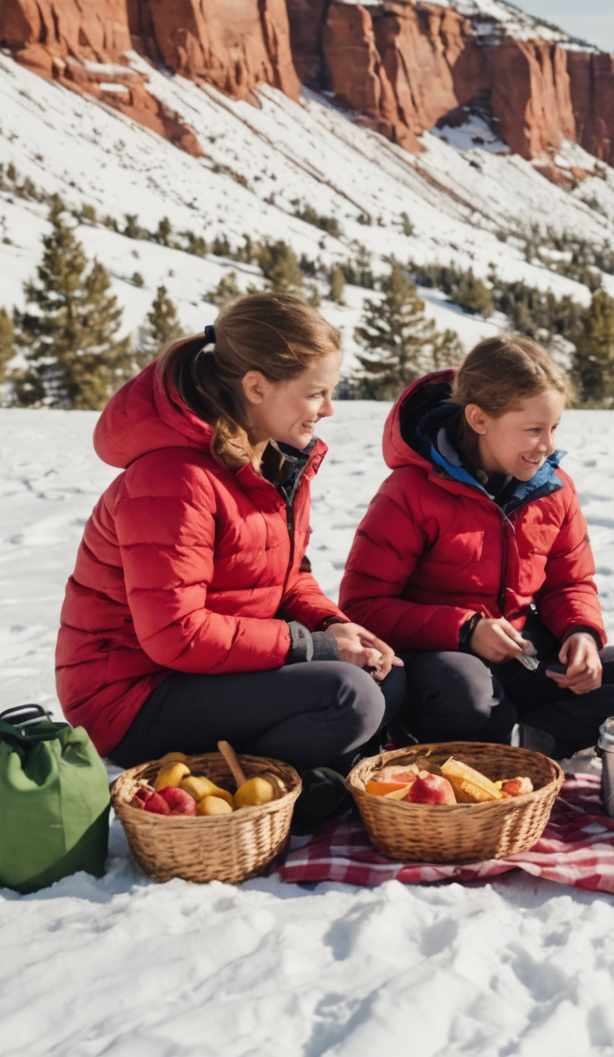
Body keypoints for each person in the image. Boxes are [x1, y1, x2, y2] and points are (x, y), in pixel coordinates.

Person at [56, 294, 401, 826]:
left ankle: (285, 779)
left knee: (384, 674)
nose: (328, 409)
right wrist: (314, 648)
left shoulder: (271, 458)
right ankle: (252, 787)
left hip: (207, 670)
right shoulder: (174, 480)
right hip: (132, 696)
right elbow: (176, 633)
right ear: (257, 386)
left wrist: (335, 626)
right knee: (350, 697)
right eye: (316, 394)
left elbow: (287, 580)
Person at [339, 334, 614, 758]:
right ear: (478, 419)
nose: (547, 446)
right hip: (440, 665)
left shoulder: (554, 489)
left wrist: (580, 633)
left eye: (553, 428)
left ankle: (526, 741)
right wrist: (466, 630)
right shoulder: (408, 492)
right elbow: (363, 608)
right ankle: (488, 738)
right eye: (533, 430)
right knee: (467, 689)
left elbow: (571, 582)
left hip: (521, 655)